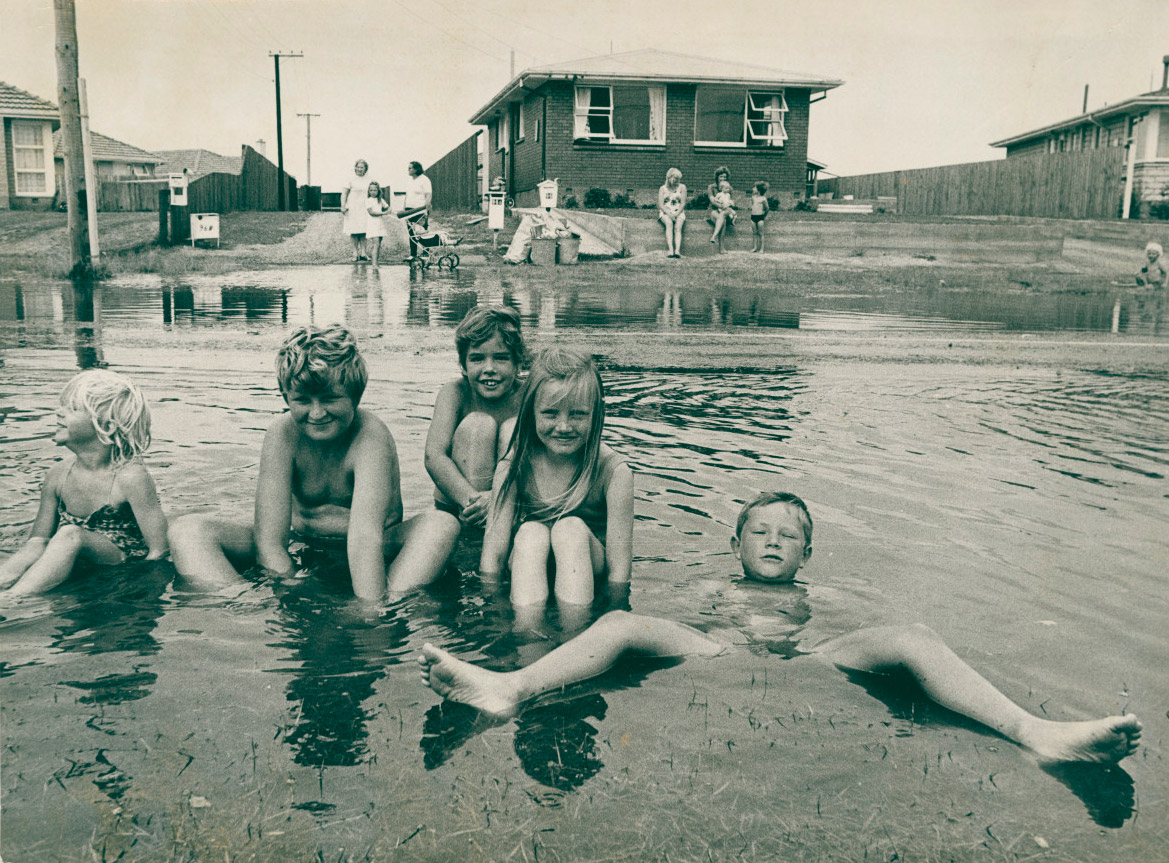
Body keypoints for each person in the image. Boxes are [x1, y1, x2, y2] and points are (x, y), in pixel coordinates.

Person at [420, 491, 1143, 766]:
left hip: (814, 656)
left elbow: (853, 622)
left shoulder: (822, 591)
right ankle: (509, 687)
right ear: (734, 546)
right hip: (718, 648)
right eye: (758, 532)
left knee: (913, 634)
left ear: (806, 552)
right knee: (619, 622)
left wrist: (853, 638)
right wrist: (686, 622)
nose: (771, 542)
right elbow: (677, 615)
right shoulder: (714, 585)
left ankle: (1034, 731)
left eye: (787, 535)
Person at [168, 325, 459, 600]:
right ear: (286, 397)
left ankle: (390, 601)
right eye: (303, 401)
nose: (317, 413)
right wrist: (291, 587)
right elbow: (270, 540)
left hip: (376, 548)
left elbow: (365, 539)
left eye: (330, 399)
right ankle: (240, 602)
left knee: (441, 525)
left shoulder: (371, 437)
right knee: (187, 532)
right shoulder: (281, 435)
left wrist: (368, 609)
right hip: (301, 542)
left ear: (355, 396)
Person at [479, 347, 633, 611]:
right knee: (531, 532)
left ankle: (576, 629)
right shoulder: (513, 466)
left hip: (585, 568)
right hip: (528, 565)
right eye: (551, 413)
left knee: (569, 530)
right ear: (531, 412)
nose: (564, 426)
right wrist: (492, 613)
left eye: (577, 414)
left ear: (596, 413)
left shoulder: (615, 472)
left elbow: (619, 575)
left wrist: (614, 617)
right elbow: (492, 559)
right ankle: (527, 634)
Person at [0, 370, 168, 595]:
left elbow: (158, 550)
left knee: (71, 534)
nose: (59, 412)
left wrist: (137, 586)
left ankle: (12, 600)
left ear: (106, 427)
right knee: (60, 539)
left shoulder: (130, 477)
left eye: (72, 408)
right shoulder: (57, 474)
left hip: (121, 557)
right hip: (72, 550)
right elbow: (37, 542)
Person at [424, 306, 525, 534]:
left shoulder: (528, 396)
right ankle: (471, 534)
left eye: (501, 358)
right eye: (477, 359)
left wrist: (497, 500)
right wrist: (474, 501)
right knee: (478, 425)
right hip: (460, 506)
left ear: (518, 362)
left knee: (512, 429)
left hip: (508, 502)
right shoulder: (455, 392)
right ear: (463, 364)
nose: (489, 369)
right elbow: (434, 456)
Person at [400, 161, 433, 261]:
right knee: (411, 232)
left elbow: (428, 194)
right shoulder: (410, 181)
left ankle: (426, 253)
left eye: (410, 168)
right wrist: (404, 208)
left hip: (420, 209)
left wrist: (426, 208)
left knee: (422, 231)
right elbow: (407, 195)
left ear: (416, 169)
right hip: (409, 210)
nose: (408, 170)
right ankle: (413, 254)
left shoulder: (424, 180)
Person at [341, 159, 371, 262]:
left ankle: (363, 253)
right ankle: (355, 253)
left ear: (365, 169)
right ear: (355, 168)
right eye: (357, 167)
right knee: (353, 231)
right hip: (353, 208)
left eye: (361, 167)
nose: (359, 169)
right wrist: (343, 206)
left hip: (364, 208)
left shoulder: (369, 180)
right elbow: (344, 193)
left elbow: (374, 193)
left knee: (363, 232)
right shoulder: (350, 179)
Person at [657, 167, 687, 258]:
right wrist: (669, 214)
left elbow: (683, 203)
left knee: (678, 227)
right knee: (669, 224)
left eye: (679, 179)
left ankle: (677, 251)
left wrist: (676, 214)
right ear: (669, 177)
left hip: (679, 211)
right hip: (666, 212)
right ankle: (670, 250)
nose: (677, 181)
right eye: (675, 178)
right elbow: (661, 205)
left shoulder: (682, 187)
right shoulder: (662, 188)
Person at [706, 166, 735, 253]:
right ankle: (721, 247)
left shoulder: (729, 188)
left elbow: (732, 202)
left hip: (725, 211)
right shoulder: (711, 187)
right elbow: (712, 201)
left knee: (723, 216)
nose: (723, 178)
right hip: (713, 210)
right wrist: (723, 206)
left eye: (725, 177)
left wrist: (730, 204)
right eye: (721, 176)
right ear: (717, 177)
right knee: (723, 220)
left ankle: (714, 237)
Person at [364, 181, 391, 269]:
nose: (373, 192)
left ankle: (376, 263)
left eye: (375, 190)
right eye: (371, 190)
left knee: (378, 244)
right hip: (372, 224)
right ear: (368, 191)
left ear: (378, 191)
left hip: (380, 224)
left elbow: (388, 207)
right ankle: (374, 264)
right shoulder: (367, 201)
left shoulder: (381, 200)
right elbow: (372, 213)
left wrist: (389, 210)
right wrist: (384, 213)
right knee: (376, 244)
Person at [750, 181, 770, 253]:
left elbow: (767, 208)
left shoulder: (763, 198)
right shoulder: (753, 197)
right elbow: (752, 206)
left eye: (754, 187)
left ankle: (762, 248)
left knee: (761, 233)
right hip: (753, 217)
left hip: (760, 217)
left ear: (759, 189)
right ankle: (755, 247)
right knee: (754, 233)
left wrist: (764, 216)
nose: (753, 189)